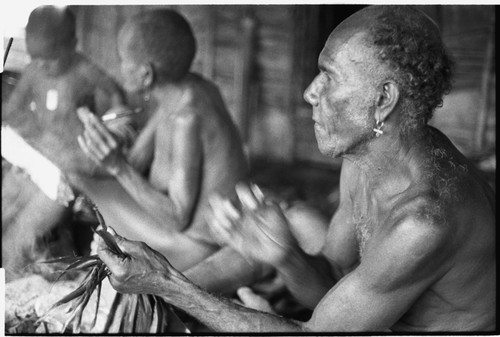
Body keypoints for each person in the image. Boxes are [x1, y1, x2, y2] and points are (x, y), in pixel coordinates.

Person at [95, 5, 495, 332]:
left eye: (330, 77)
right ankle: (146, 305)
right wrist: (286, 257)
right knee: (293, 219)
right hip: (377, 310)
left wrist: (169, 285)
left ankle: (151, 304)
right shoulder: (365, 158)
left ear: (383, 99)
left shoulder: (424, 221)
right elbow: (331, 279)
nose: (309, 92)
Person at [75, 9, 249, 272]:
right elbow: (138, 156)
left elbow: (177, 218)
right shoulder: (191, 88)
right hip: (210, 234)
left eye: (124, 60)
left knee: (73, 177)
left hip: (194, 247)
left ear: (145, 74)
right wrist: (111, 146)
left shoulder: (186, 119)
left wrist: (117, 167)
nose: (119, 67)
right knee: (86, 181)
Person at [2, 5, 130, 281]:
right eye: (38, 59)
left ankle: (22, 277)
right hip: (38, 160)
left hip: (72, 166)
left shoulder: (84, 71)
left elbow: (117, 97)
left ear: (72, 45)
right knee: (5, 203)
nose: (43, 65)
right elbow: (12, 112)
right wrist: (26, 137)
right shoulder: (35, 71)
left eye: (51, 58)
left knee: (22, 233)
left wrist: (113, 126)